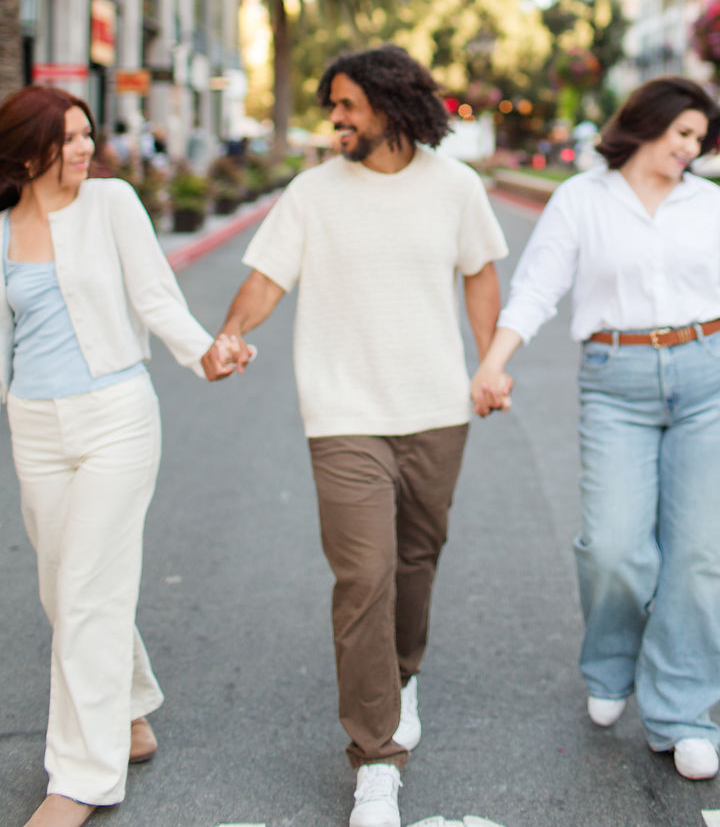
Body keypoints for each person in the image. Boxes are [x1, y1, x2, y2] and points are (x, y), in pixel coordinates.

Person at [470, 75, 720, 781]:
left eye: (700, 140)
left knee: (703, 555)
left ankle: (683, 711)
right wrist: (493, 364)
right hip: (616, 379)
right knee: (613, 547)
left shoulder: (709, 204)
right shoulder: (581, 200)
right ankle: (610, 663)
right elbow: (537, 287)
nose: (690, 150)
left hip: (715, 372)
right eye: (683, 133)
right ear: (647, 122)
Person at [216, 45, 507, 827]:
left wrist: (489, 364)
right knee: (365, 576)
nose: (336, 118)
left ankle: (402, 672)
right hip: (343, 415)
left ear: (391, 104)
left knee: (416, 560)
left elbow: (480, 270)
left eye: (348, 105)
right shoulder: (313, 193)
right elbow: (268, 275)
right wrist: (231, 333)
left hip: (436, 410)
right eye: (332, 104)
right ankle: (376, 759)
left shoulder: (455, 187)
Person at [0, 85, 250, 827]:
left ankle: (79, 778)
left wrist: (205, 353)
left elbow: (156, 296)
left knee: (85, 591)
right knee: (64, 588)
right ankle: (131, 706)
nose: (83, 148)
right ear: (25, 150)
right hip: (36, 426)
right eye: (67, 137)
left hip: (115, 416)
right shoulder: (4, 232)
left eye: (86, 134)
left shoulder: (112, 206)